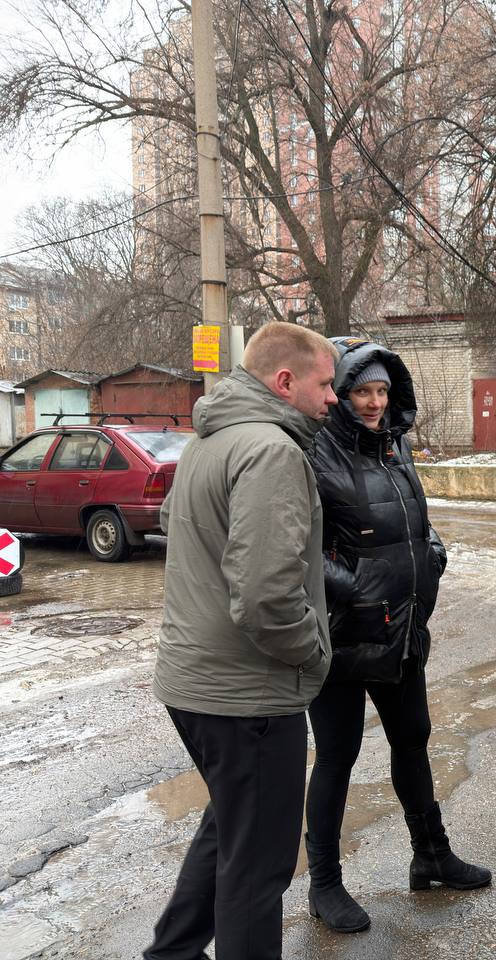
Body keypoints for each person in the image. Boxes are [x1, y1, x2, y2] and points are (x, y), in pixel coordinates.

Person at [146, 322, 338, 960]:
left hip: (195, 683)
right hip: (247, 693)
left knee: (232, 826)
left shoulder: (208, 441)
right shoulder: (271, 450)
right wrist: (312, 651)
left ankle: (172, 953)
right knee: (257, 866)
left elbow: (186, 539)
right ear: (284, 381)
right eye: (325, 384)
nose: (333, 398)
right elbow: (264, 595)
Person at [303, 338, 490, 934]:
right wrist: (355, 586)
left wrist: (432, 553)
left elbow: (417, 522)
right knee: (337, 757)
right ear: (340, 394)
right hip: (341, 637)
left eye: (382, 391)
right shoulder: (313, 451)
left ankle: (431, 854)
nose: (375, 402)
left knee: (413, 739)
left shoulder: (395, 445)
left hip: (401, 627)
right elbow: (297, 547)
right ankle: (324, 883)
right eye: (362, 391)